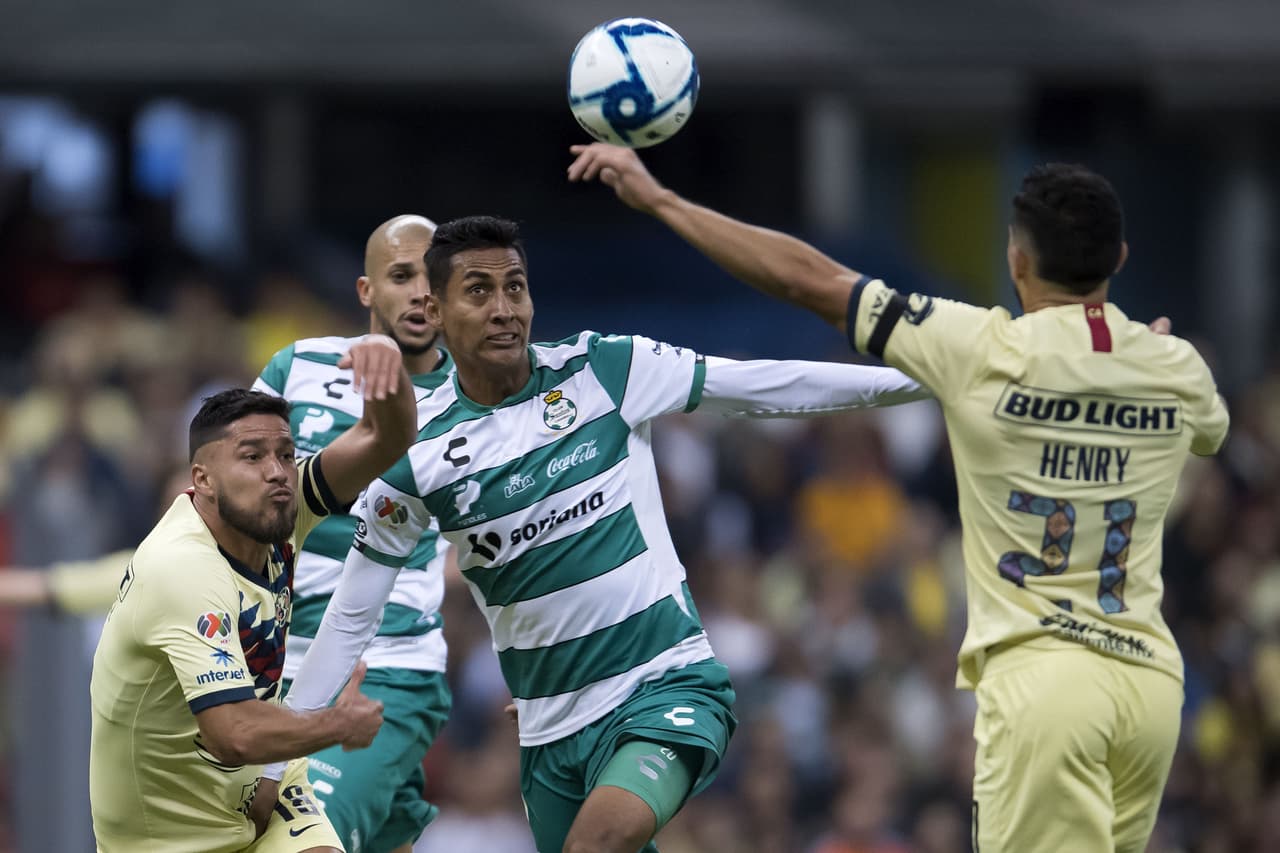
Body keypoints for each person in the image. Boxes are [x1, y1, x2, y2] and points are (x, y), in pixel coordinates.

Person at [567, 142, 1230, 853]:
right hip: (1149, 688)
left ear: (1017, 260)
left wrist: (664, 200)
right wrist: (1148, 354)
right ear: (1119, 257)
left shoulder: (979, 346)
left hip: (1046, 684)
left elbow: (806, 278)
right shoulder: (1175, 365)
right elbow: (1207, 430)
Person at [280, 214, 936, 853]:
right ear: (438, 310)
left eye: (515, 287)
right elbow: (350, 619)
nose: (504, 308)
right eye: (478, 291)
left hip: (664, 687)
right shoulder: (416, 455)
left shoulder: (605, 370)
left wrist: (935, 378)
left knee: (599, 841)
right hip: (549, 731)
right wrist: (279, 757)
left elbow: (771, 385)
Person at [89, 332, 417, 853]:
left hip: (258, 785)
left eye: (286, 454)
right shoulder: (182, 569)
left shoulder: (278, 512)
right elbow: (233, 735)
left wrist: (391, 375)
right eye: (252, 457)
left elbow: (385, 439)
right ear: (203, 480)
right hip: (168, 832)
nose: (277, 473)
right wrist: (335, 726)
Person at [251, 214, 456, 853]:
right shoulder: (298, 365)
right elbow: (225, 487)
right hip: (273, 662)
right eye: (401, 276)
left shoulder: (475, 396)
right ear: (367, 290)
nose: (420, 293)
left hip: (387, 663)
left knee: (299, 839)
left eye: (433, 278)